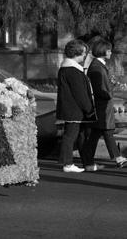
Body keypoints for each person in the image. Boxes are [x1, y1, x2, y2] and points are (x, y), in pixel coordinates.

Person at [81, 39, 127, 169]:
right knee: (106, 131)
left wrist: (111, 85)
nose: (110, 52)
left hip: (101, 105)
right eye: (108, 50)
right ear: (102, 51)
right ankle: (118, 158)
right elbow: (101, 88)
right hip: (102, 105)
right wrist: (109, 93)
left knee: (97, 133)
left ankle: (90, 162)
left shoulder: (98, 65)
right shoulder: (97, 67)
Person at [56, 39, 96, 173]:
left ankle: (87, 163)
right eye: (84, 53)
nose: (85, 55)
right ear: (76, 53)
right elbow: (80, 93)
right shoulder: (72, 70)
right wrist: (89, 109)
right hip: (74, 109)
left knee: (80, 136)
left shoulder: (67, 68)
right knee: (71, 136)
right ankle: (67, 164)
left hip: (72, 108)